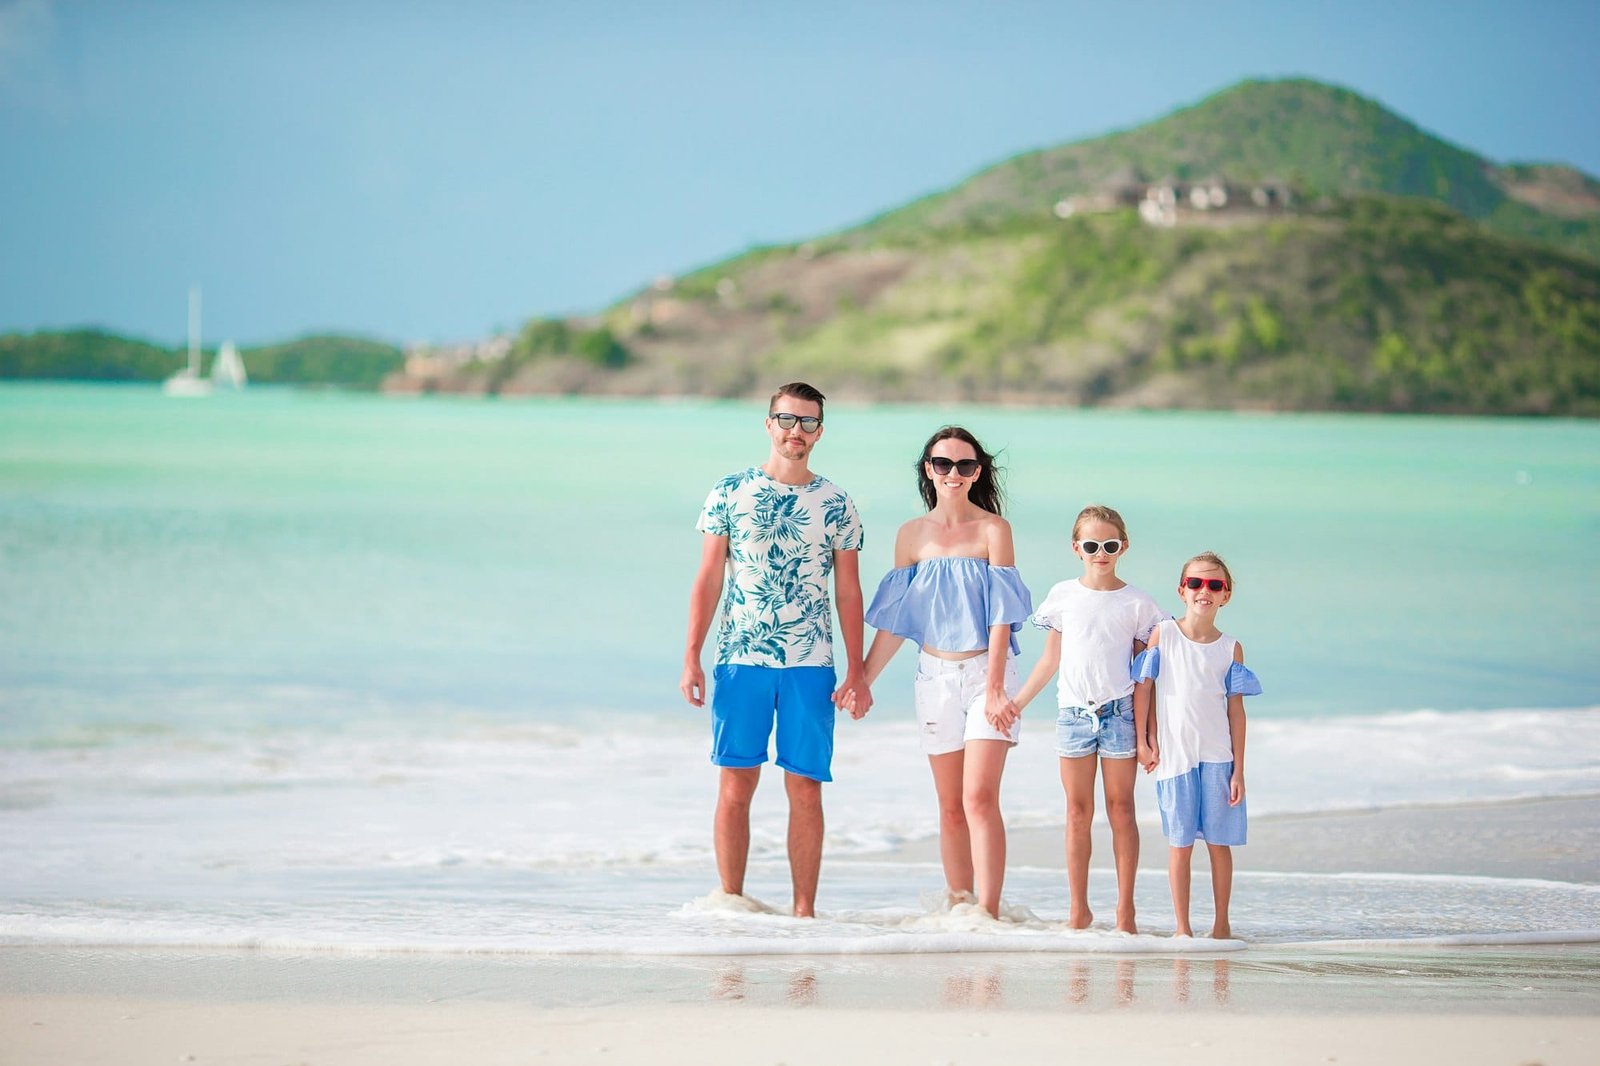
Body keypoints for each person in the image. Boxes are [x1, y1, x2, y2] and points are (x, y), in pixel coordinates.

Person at [680, 382, 870, 918]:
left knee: (806, 789)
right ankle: (730, 905)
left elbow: (848, 590)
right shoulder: (729, 491)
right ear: (769, 424)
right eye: (787, 420)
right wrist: (691, 655)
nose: (797, 432)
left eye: (808, 423)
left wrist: (857, 670)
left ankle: (804, 914)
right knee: (736, 782)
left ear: (820, 432)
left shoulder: (836, 503)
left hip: (811, 665)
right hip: (741, 659)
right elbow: (707, 579)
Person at [851, 426, 1030, 918]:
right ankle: (959, 907)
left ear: (978, 472)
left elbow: (1002, 615)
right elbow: (897, 621)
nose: (954, 474)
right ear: (928, 469)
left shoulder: (995, 530)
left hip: (987, 676)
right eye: (943, 464)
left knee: (978, 797)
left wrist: (995, 688)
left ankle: (988, 916)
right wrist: (862, 679)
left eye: (965, 466)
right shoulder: (911, 535)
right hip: (934, 679)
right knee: (950, 805)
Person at [1011, 504, 1165, 933]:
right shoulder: (1063, 595)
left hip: (1119, 715)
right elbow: (1049, 661)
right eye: (1093, 545)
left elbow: (1146, 679)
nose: (1101, 553)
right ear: (1077, 547)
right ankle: (1078, 910)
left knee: (1122, 810)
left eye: (1110, 545)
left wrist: (1149, 736)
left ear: (1123, 547)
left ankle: (1125, 911)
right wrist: (1016, 703)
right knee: (1077, 813)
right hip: (1073, 715)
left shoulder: (1139, 604)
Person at [1133, 551, 1261, 939]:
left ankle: (1221, 924)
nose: (1204, 591)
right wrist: (1143, 739)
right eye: (1196, 583)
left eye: (1214, 585)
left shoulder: (1231, 648)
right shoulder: (1164, 634)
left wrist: (1239, 770)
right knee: (1180, 844)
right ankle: (1182, 928)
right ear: (1182, 590)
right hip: (1175, 760)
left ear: (1226, 594)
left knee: (1219, 845)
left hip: (1219, 760)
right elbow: (1144, 691)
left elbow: (1236, 713)